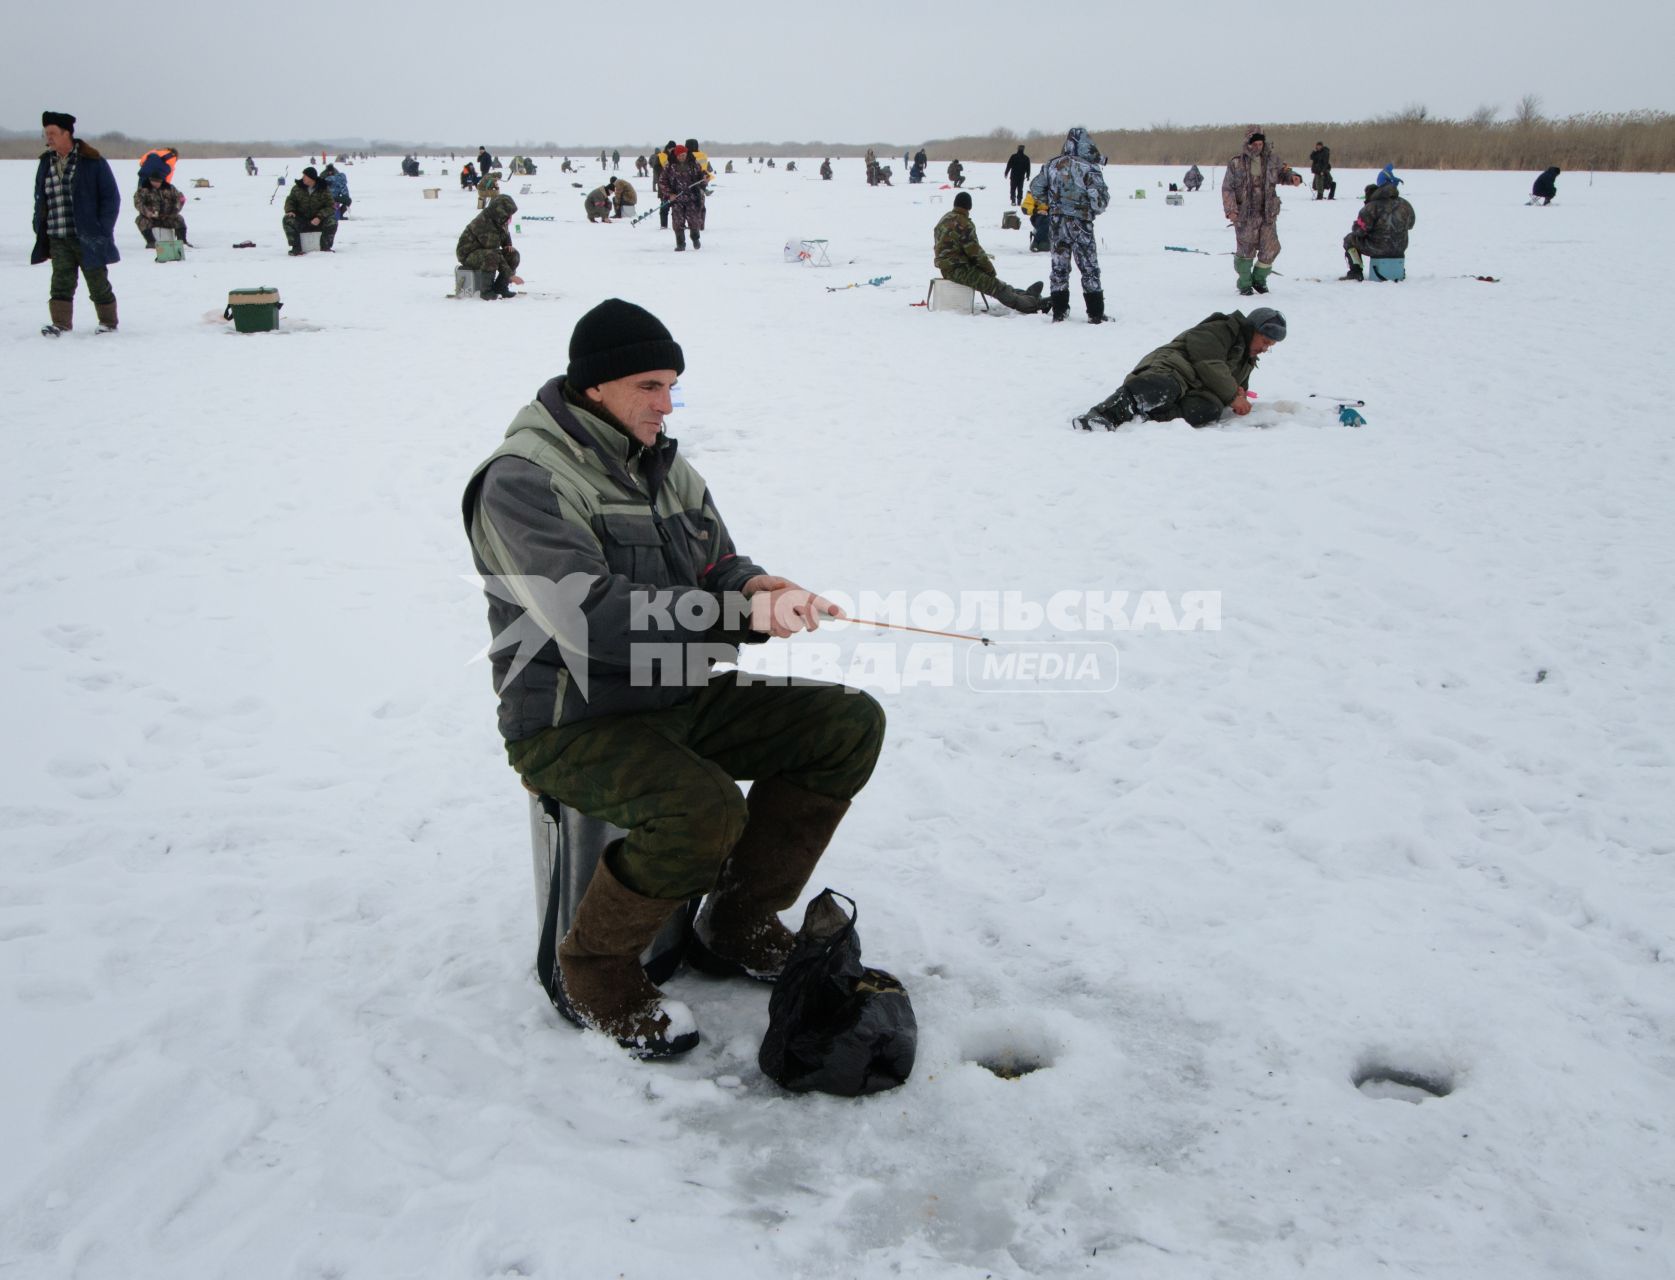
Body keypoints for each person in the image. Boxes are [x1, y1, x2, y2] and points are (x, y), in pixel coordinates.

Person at [461, 298, 887, 1059]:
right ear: (595, 387)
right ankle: (592, 968)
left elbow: (719, 561)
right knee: (703, 810)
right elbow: (587, 616)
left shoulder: (665, 467)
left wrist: (759, 591)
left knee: (845, 725)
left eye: (671, 387)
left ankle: (736, 919)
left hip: (678, 691)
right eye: (649, 386)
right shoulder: (521, 480)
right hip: (570, 720)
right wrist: (729, 609)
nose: (666, 403)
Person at [1072, 308, 1288, 431]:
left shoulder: (1247, 360)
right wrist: (1233, 394)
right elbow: (1209, 364)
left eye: (1269, 346)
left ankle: (1147, 420)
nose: (1264, 348)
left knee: (1208, 409)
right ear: (1253, 330)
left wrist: (1238, 392)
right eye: (1265, 341)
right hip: (1173, 368)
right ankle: (1101, 415)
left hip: (1197, 388)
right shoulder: (1221, 329)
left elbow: (1234, 388)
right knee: (1164, 387)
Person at [32, 109, 121, 336]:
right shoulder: (45, 163)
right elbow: (40, 198)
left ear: (66, 133)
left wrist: (103, 229)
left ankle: (108, 323)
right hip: (57, 235)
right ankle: (61, 324)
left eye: (52, 133)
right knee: (60, 282)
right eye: (46, 134)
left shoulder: (92, 161)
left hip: (88, 235)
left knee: (97, 282)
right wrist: (38, 224)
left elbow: (111, 198)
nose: (48, 138)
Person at [1027, 126, 1110, 323]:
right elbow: (1100, 201)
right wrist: (1087, 209)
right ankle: (1095, 313)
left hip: (1056, 223)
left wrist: (1052, 203)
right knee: (1089, 268)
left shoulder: (1052, 165)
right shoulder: (1089, 168)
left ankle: (1059, 311)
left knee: (1059, 268)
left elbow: (1035, 188)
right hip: (1081, 224)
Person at [1221, 126, 1303, 296]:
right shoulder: (1236, 163)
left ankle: (1259, 280)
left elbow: (1284, 172)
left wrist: (1293, 177)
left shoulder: (1273, 160)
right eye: (1255, 143)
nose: (1258, 146)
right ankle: (1244, 284)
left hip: (1267, 213)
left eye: (1261, 142)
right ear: (1248, 144)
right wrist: (1231, 210)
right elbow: (1227, 188)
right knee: (1246, 252)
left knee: (1271, 249)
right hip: (1245, 215)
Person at [934, 192, 1046, 313]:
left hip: (950, 267)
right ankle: (1033, 305)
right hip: (958, 269)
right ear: (969, 207)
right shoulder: (964, 224)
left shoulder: (944, 219)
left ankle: (1027, 295)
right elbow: (975, 253)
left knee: (996, 284)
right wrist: (989, 269)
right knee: (995, 286)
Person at [1341, 179, 1416, 281]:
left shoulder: (1371, 207)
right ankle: (1398, 270)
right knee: (1394, 245)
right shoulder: (1405, 204)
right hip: (1400, 248)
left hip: (1377, 248)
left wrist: (1356, 225)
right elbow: (1410, 225)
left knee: (1349, 239)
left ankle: (1356, 272)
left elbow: (1359, 232)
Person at [456, 193, 524, 300]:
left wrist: (508, 245)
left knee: (513, 255)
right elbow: (494, 252)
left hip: (486, 251)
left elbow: (505, 234)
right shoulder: (484, 223)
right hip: (468, 254)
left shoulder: (499, 219)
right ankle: (486, 291)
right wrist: (511, 275)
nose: (509, 217)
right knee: (492, 256)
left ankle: (501, 288)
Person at [657, 143, 708, 250]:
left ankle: (695, 239)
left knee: (694, 222)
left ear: (687, 154)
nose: (681, 157)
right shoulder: (669, 167)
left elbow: (702, 179)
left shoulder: (695, 165)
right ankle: (680, 244)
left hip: (692, 199)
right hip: (677, 200)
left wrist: (705, 179)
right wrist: (669, 194)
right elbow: (662, 181)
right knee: (677, 223)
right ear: (675, 155)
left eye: (683, 155)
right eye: (679, 155)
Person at [133, 157, 189, 248]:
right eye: (153, 181)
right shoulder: (143, 189)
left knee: (179, 219)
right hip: (151, 218)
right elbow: (138, 203)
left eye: (158, 181)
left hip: (167, 217)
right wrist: (147, 213)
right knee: (140, 220)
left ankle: (182, 241)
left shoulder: (170, 188)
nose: (155, 183)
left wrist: (175, 209)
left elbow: (181, 198)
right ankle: (151, 242)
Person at [282, 166, 338, 255]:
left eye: (305, 176)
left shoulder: (323, 189)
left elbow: (331, 206)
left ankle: (325, 247)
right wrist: (290, 210)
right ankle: (296, 248)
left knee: (332, 220)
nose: (303, 178)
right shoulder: (297, 188)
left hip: (319, 220)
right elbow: (290, 201)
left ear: (311, 178)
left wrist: (319, 217)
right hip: (302, 219)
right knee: (287, 219)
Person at [1021, 186, 1051, 252]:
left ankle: (1038, 241)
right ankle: (1039, 241)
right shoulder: (1036, 189)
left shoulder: (1061, 189)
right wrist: (1036, 211)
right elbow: (1026, 206)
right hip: (1039, 216)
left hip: (1057, 215)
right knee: (1046, 220)